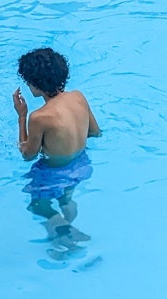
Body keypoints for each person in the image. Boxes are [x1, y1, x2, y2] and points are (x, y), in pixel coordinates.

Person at [13, 47, 99, 250]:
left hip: (52, 172)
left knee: (37, 205)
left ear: (35, 84)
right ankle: (67, 226)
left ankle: (64, 234)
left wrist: (22, 115)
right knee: (65, 198)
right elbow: (94, 132)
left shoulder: (40, 117)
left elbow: (27, 155)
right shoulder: (79, 97)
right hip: (81, 165)